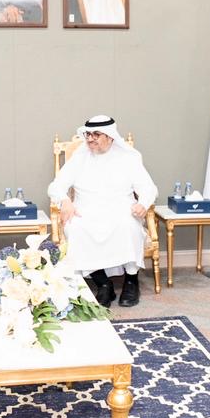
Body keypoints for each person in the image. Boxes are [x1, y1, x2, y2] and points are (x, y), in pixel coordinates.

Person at [47, 115, 156, 308]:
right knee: (75, 227)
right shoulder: (79, 157)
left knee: (128, 225)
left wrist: (143, 203)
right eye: (88, 134)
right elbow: (56, 186)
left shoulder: (129, 158)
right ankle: (103, 284)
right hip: (85, 210)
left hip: (121, 209)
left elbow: (148, 188)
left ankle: (131, 281)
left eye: (96, 134)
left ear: (110, 136)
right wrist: (65, 201)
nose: (90, 139)